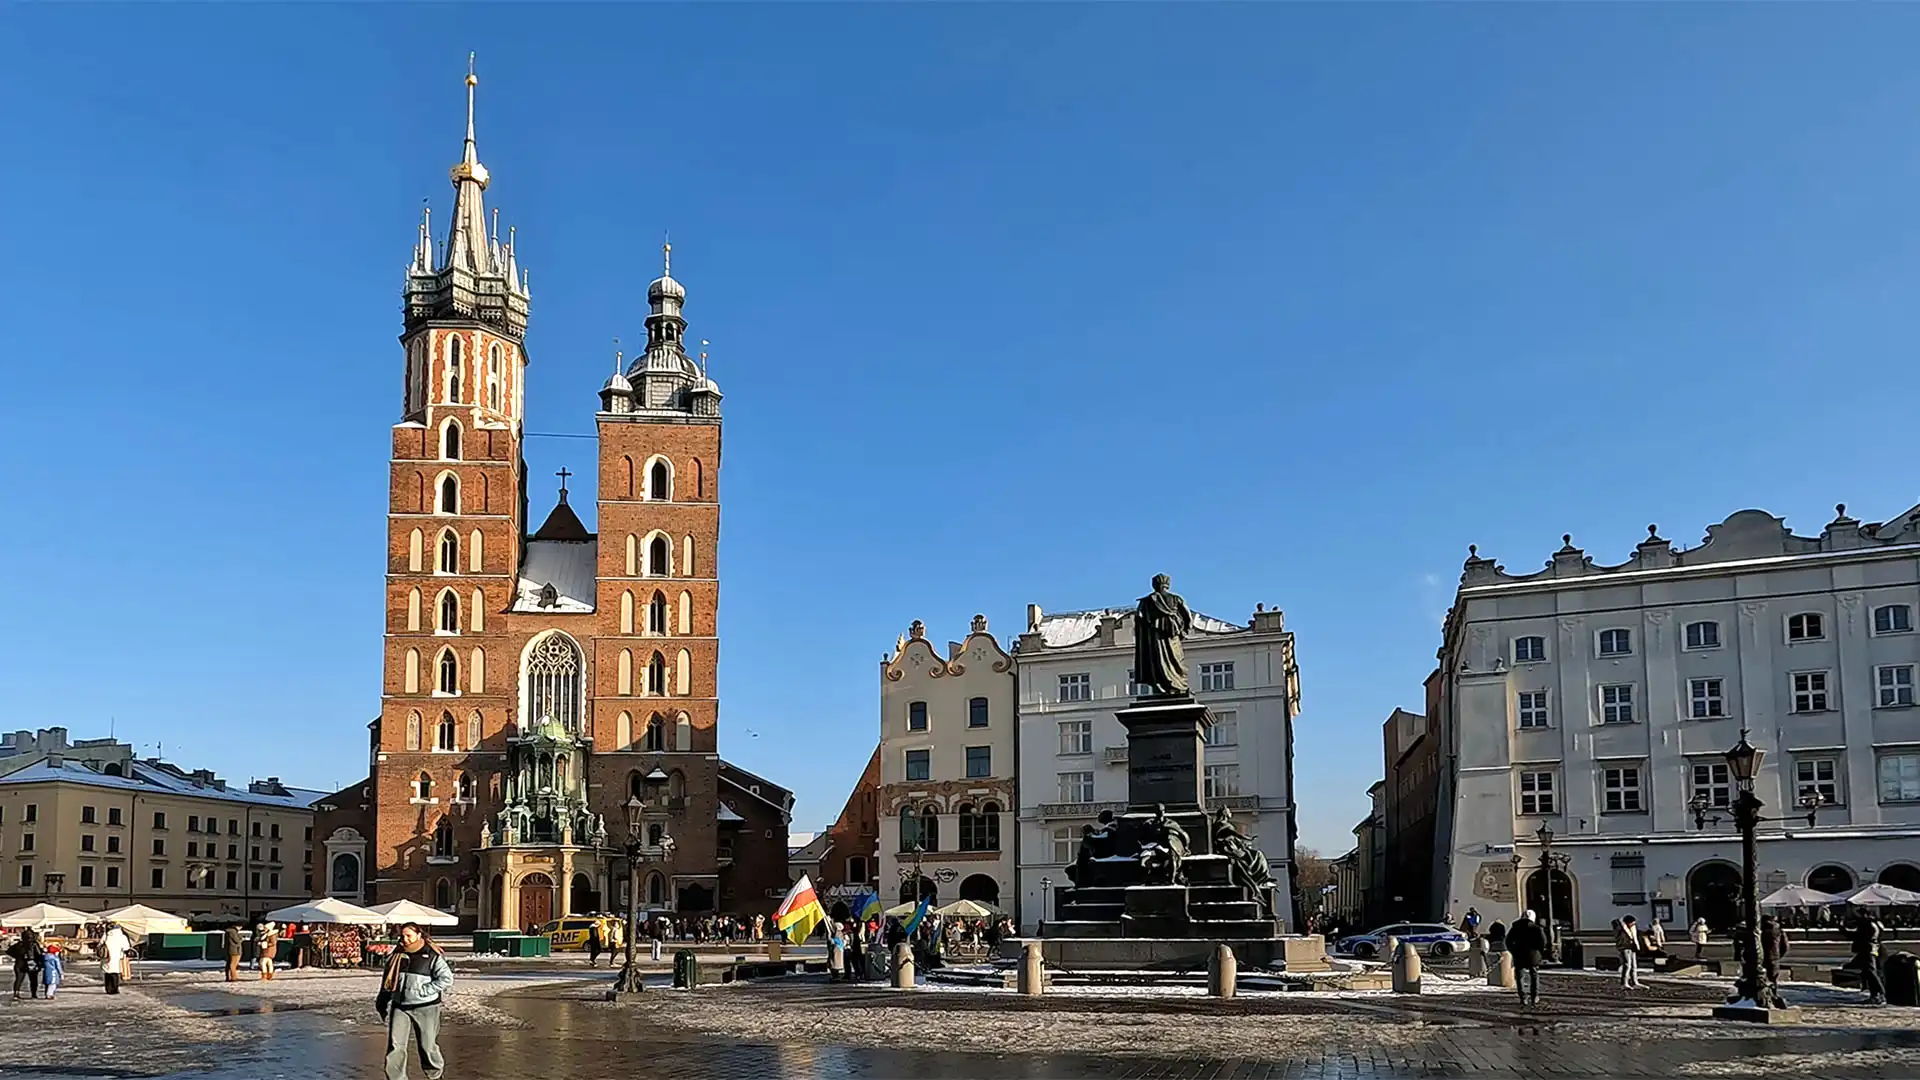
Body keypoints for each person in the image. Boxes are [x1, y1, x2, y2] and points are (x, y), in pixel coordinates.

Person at [376, 923, 454, 1080]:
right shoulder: (396, 955)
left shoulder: (431, 955)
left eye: (408, 936)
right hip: (400, 1007)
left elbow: (446, 979)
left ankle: (435, 1075)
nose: (405, 940)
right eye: (402, 936)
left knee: (427, 1045)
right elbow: (387, 981)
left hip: (426, 1007)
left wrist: (424, 991)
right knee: (395, 1047)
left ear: (418, 935)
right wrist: (382, 1001)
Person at [1506, 909, 1546, 1007]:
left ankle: (1523, 997)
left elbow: (1508, 941)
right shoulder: (1536, 928)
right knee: (1534, 975)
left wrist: (1513, 951)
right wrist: (1540, 952)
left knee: (1519, 977)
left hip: (1519, 954)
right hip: (1533, 954)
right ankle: (1534, 996)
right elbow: (1543, 942)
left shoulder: (1515, 927)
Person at [1852, 911, 1886, 1006]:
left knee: (1871, 971)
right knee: (1871, 972)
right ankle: (1875, 995)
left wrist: (1842, 928)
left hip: (1868, 949)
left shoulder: (1868, 925)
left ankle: (1880, 993)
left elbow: (1860, 936)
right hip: (1875, 949)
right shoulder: (1876, 923)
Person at [9, 926, 43, 1000]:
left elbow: (9, 951)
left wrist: (17, 956)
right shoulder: (34, 944)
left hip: (20, 963)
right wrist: (39, 962)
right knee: (33, 979)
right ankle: (33, 994)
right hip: (32, 962)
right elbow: (39, 953)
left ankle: (16, 993)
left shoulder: (19, 944)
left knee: (19, 979)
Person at [100, 922, 132, 995]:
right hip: (117, 957)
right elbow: (126, 947)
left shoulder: (106, 935)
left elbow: (100, 943)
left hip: (107, 956)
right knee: (115, 973)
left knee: (107, 973)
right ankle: (114, 989)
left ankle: (108, 989)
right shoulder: (122, 936)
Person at [1760, 913, 1789, 990]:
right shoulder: (1779, 930)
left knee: (1760, 980)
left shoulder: (1759, 931)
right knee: (1773, 980)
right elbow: (1785, 947)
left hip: (1761, 958)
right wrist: (1778, 956)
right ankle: (1773, 996)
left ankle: (1762, 998)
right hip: (1774, 958)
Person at [1614, 915, 1643, 990]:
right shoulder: (1620, 928)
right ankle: (1624, 983)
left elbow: (1635, 937)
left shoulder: (1632, 928)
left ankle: (1635, 982)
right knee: (1627, 965)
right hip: (1624, 947)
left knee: (1634, 966)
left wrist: (1637, 946)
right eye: (1632, 923)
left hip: (1632, 947)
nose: (1633, 925)